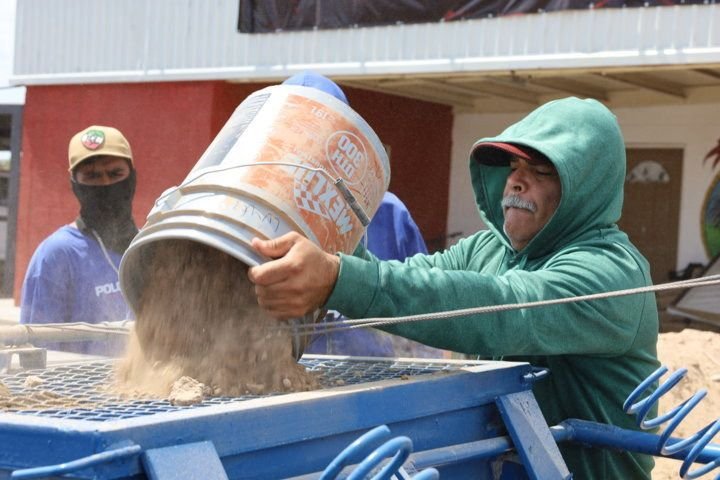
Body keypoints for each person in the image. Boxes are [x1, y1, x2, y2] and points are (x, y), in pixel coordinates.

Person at [248, 97, 661, 479]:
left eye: (540, 172)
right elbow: (407, 279)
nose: (516, 183)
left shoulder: (609, 271)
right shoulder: (487, 249)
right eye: (513, 168)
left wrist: (340, 280)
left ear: (584, 188)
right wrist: (330, 228)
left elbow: (505, 309)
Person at [20, 125, 138, 355]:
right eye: (92, 176)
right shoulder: (56, 255)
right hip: (77, 379)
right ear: (74, 183)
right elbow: (37, 352)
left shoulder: (150, 250)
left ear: (132, 177)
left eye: (115, 174)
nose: (105, 184)